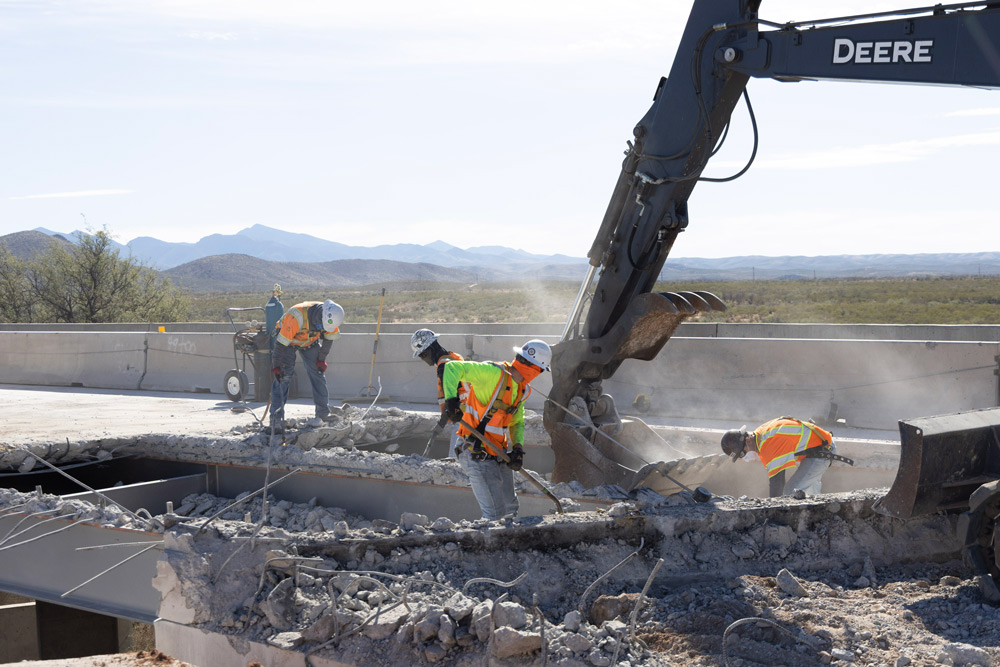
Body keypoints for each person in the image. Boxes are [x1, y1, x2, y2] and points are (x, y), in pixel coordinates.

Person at [441, 339, 551, 520]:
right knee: (495, 515)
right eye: (539, 370)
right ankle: (490, 545)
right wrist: (451, 401)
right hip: (476, 451)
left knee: (510, 509)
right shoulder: (492, 373)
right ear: (534, 368)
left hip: (499, 453)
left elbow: (517, 422)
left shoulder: (522, 389)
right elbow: (452, 368)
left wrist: (517, 449)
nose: (538, 374)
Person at [721, 417, 852, 497]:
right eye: (741, 456)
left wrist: (772, 511)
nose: (744, 457)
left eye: (743, 453)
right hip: (816, 448)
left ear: (747, 440)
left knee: (789, 493)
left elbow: (777, 483)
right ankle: (815, 521)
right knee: (808, 492)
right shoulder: (760, 435)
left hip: (821, 452)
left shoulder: (768, 445)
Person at [269, 299, 344, 432]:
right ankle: (276, 419)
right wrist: (276, 366)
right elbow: (280, 345)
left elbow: (328, 340)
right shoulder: (295, 317)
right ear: (318, 317)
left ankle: (323, 413)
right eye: (321, 326)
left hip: (309, 342)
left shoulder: (331, 319)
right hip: (288, 343)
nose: (323, 329)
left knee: (318, 374)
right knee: (284, 377)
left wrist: (321, 360)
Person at [410, 328, 467, 455]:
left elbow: (452, 399)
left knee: (455, 459)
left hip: (463, 417)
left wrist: (444, 419)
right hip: (469, 413)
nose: (423, 360)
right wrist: (443, 420)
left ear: (430, 349)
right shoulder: (453, 358)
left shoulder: (444, 366)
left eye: (422, 355)